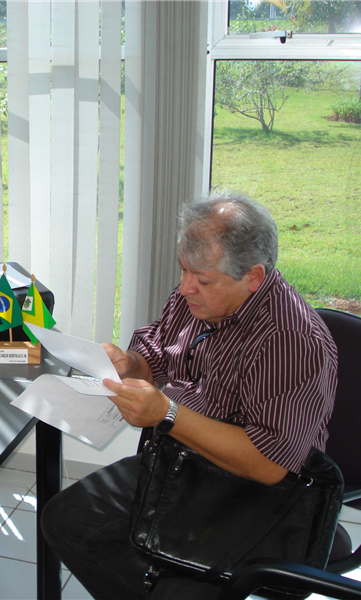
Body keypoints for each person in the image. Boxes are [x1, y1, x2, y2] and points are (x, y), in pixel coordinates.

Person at [40, 191, 338, 599]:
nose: (185, 288)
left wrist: (168, 414)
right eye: (184, 270)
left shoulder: (288, 339)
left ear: (253, 277)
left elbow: (269, 466)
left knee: (172, 585)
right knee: (67, 519)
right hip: (184, 461)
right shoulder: (197, 298)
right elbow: (158, 358)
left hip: (254, 493)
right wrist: (129, 364)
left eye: (202, 280)